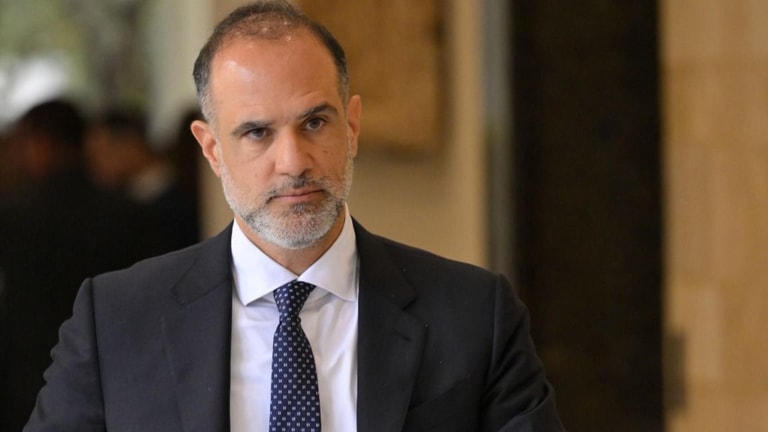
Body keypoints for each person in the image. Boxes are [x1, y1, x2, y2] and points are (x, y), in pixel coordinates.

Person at [24, 1, 565, 431]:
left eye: (314, 123)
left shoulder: (475, 317)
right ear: (212, 149)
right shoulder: (115, 321)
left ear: (351, 127)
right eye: (257, 132)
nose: (294, 162)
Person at [0, 99, 147, 431]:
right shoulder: (126, 212)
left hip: (27, 376)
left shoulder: (14, 215)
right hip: (114, 370)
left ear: (41, 143)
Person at [85, 107, 200, 255]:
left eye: (100, 154)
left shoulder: (182, 197)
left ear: (131, 144)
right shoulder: (120, 198)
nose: (95, 166)